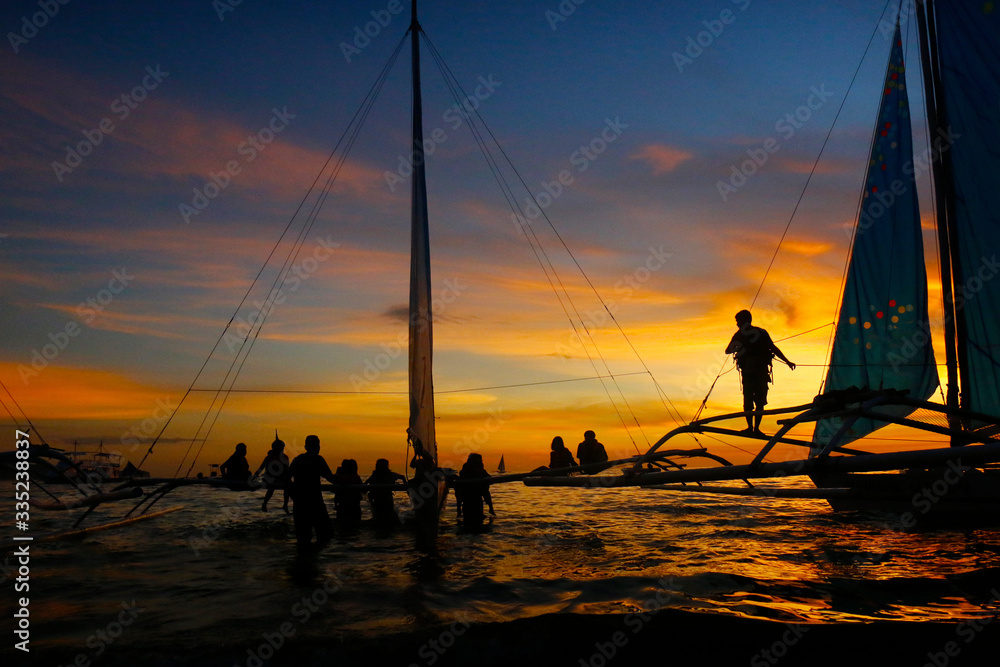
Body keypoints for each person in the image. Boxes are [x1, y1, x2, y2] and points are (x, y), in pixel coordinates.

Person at [725, 309, 795, 435]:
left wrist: (787, 362)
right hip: (753, 373)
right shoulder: (744, 334)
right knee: (752, 401)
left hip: (757, 373)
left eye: (738, 321)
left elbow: (773, 348)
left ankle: (754, 429)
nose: (737, 324)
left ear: (745, 321)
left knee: (757, 401)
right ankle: (752, 428)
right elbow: (728, 350)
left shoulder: (751, 334)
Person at [288, 435, 337, 546]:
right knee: (325, 535)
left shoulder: (298, 459)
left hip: (300, 503)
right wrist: (345, 479)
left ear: (305, 446)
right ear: (317, 446)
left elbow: (286, 478)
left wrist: (293, 492)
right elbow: (330, 478)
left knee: (303, 540)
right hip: (315, 502)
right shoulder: (318, 460)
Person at [253, 436, 290, 513]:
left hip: (281, 478)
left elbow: (288, 470)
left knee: (288, 487)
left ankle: (285, 505)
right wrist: (253, 478)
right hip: (270, 478)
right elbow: (261, 469)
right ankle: (264, 504)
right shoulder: (269, 457)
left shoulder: (285, 457)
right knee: (271, 487)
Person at [458, 453, 494, 528]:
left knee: (469, 523)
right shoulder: (479, 473)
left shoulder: (466, 473)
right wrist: (491, 508)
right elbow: (486, 492)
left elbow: (458, 493)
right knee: (476, 523)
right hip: (473, 501)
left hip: (469, 501)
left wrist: (458, 510)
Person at [365, 459, 406, 525]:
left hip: (384, 499)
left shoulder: (388, 475)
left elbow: (402, 477)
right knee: (384, 519)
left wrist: (405, 486)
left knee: (383, 519)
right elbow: (402, 477)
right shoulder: (376, 475)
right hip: (379, 500)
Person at [333, 458, 363, 530]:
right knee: (355, 527)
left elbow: (334, 488)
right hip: (352, 505)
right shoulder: (355, 478)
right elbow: (362, 489)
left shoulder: (339, 477)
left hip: (344, 505)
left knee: (342, 526)